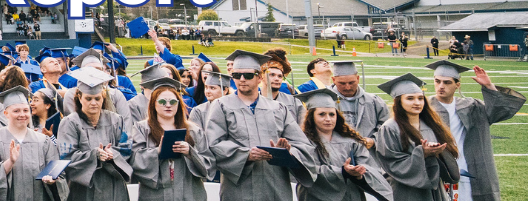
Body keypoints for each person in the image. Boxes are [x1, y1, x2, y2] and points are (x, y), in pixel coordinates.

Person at [204, 51, 315, 201]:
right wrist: (246, 155)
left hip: (275, 185)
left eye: (248, 75)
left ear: (260, 77)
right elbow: (213, 143)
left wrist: (288, 151)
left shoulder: (278, 108)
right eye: (236, 75)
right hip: (239, 188)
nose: (242, 79)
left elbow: (303, 145)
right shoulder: (221, 106)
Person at [426, 60, 525, 201]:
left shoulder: (472, 107)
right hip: (439, 170)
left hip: (470, 169)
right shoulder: (424, 108)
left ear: (457, 85)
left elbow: (501, 112)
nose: (441, 86)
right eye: (437, 81)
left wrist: (489, 86)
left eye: (447, 82)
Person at [373, 73, 462, 201]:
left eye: (420, 98)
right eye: (410, 98)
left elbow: (449, 155)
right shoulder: (390, 128)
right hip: (405, 190)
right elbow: (391, 162)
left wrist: (438, 152)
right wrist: (422, 153)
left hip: (433, 187)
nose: (417, 103)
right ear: (398, 102)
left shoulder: (431, 124)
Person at [295, 89, 394, 201]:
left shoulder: (351, 140)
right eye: (322, 114)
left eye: (332, 114)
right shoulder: (303, 141)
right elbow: (307, 171)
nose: (328, 119)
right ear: (311, 116)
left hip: (351, 196)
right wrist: (342, 172)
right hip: (315, 196)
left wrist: (358, 172)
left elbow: (370, 166)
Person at [54, 67, 131, 201]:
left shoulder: (116, 120)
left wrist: (113, 154)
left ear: (103, 97)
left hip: (114, 185)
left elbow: (126, 148)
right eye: (88, 98)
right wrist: (94, 155)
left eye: (97, 98)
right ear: (79, 97)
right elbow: (66, 156)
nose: (93, 103)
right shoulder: (70, 122)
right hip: (83, 189)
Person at [129, 78, 210, 201]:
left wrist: (190, 152)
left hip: (189, 194)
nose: (168, 105)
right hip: (155, 195)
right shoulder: (142, 129)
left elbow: (209, 164)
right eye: (162, 101)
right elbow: (134, 161)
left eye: (173, 101)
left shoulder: (193, 130)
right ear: (153, 103)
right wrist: (157, 151)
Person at [0, 87, 66, 201]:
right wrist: (10, 162)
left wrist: (53, 181)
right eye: (16, 111)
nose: (22, 114)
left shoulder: (43, 141)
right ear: (6, 113)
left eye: (25, 110)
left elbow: (59, 174)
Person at [327, 61, 390, 146]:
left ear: (358, 79)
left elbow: (386, 126)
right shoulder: (326, 101)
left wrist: (374, 140)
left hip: (368, 153)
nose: (347, 87)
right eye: (342, 83)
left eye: (351, 82)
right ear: (333, 80)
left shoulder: (374, 101)